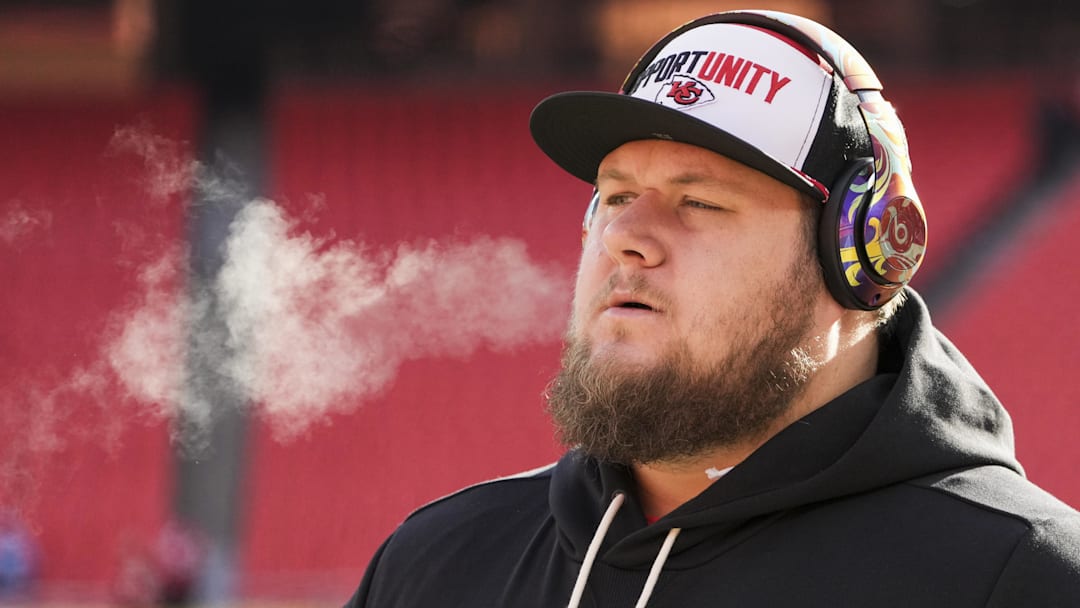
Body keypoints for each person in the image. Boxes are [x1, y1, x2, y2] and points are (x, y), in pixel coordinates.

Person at [345, 10, 1080, 607]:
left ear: (861, 254)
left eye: (699, 201)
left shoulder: (1025, 577)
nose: (626, 239)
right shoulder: (435, 563)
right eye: (618, 196)